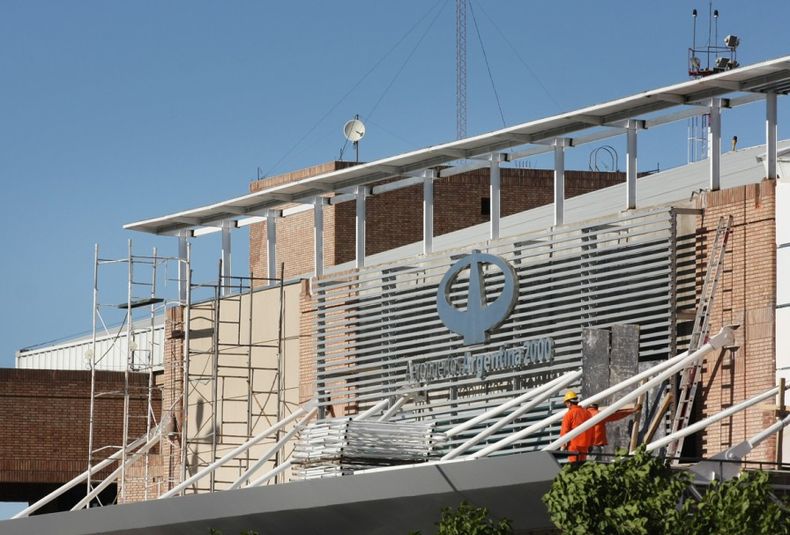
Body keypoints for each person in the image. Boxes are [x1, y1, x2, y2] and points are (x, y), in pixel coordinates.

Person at [559, 390, 593, 464]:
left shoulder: (569, 414)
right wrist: (591, 444)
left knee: (574, 466)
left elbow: (565, 430)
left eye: (566, 403)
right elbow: (592, 429)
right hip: (585, 444)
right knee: (582, 465)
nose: (566, 405)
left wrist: (563, 445)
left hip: (574, 445)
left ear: (569, 403)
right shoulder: (587, 412)